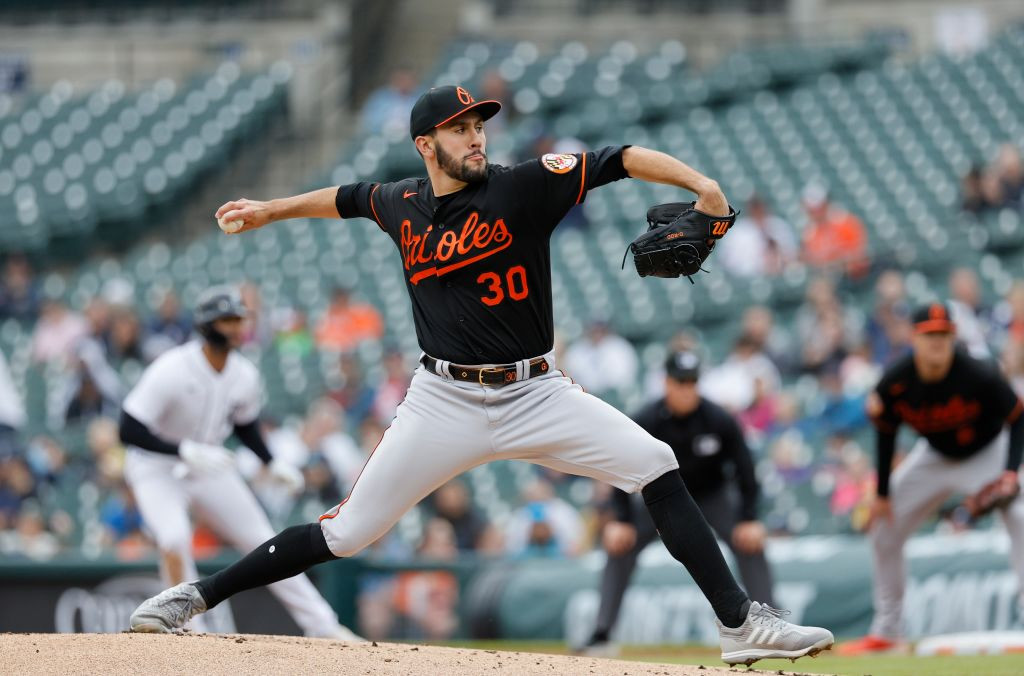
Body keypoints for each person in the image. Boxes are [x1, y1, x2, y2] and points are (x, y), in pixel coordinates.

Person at [131, 84, 832, 665]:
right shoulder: (399, 203)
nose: (476, 137)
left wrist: (702, 185)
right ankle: (194, 596)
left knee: (654, 461)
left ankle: (739, 624)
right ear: (424, 145)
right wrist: (271, 210)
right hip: (442, 401)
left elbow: (621, 158)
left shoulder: (525, 187)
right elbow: (343, 197)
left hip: (535, 392)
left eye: (478, 125)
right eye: (458, 128)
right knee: (346, 533)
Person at [118, 286, 360, 640]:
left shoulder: (244, 374)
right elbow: (128, 428)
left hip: (209, 467)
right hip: (155, 467)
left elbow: (245, 425)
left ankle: (323, 625)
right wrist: (183, 449)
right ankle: (184, 626)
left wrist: (272, 462)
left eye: (238, 319)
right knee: (173, 538)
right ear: (205, 324)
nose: (235, 327)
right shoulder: (172, 367)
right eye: (226, 320)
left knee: (265, 542)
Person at [839, 302, 1024, 654]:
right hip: (934, 455)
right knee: (883, 527)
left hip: (988, 452)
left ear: (954, 338)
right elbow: (886, 430)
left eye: (943, 335)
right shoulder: (896, 380)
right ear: (914, 338)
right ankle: (888, 632)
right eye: (929, 335)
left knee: (1020, 516)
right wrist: (881, 493)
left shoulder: (979, 373)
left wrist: (1011, 472)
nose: (937, 342)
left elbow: (1018, 417)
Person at [582, 350, 776, 655]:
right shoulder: (647, 419)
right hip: (658, 499)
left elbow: (745, 470)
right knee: (619, 546)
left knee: (750, 541)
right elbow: (620, 463)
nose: (687, 389)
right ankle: (602, 632)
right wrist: (620, 519)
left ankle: (770, 627)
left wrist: (749, 516)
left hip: (711, 495)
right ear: (667, 383)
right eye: (680, 382)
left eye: (692, 382)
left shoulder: (718, 419)